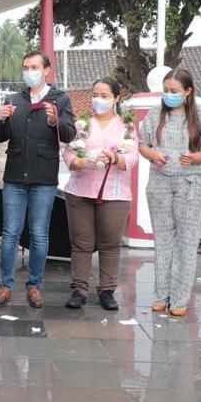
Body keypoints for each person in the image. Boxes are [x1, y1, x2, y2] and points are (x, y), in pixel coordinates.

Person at [0, 51, 76, 308]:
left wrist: (55, 119)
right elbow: (1, 135)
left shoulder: (59, 99)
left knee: (39, 235)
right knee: (10, 233)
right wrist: (1, 119)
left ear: (47, 70)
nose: (29, 71)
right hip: (15, 175)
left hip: (43, 176)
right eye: (26, 67)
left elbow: (70, 134)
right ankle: (6, 286)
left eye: (34, 67)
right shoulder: (14, 99)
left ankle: (34, 286)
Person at [138, 68, 201, 317]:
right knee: (162, 241)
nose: (169, 95)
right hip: (159, 183)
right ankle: (160, 295)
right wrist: (153, 155)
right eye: (166, 91)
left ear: (187, 91)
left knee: (186, 242)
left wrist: (194, 158)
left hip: (190, 184)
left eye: (174, 91)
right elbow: (143, 144)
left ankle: (180, 299)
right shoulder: (155, 114)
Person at [62, 78, 138, 311]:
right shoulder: (81, 124)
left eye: (104, 95)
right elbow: (67, 152)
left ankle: (107, 290)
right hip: (80, 190)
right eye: (95, 94)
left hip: (115, 193)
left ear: (116, 98)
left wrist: (116, 158)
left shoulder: (127, 127)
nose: (99, 99)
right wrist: (77, 161)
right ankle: (79, 290)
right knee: (81, 243)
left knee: (110, 243)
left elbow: (133, 157)